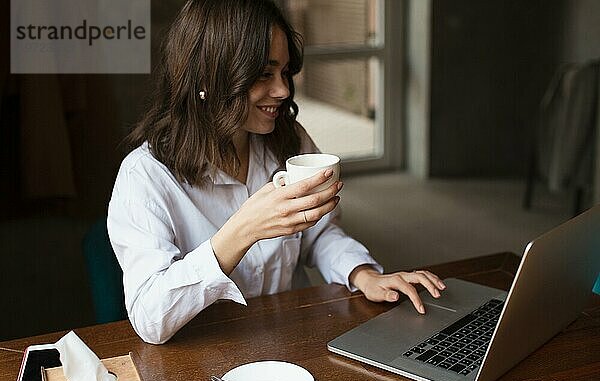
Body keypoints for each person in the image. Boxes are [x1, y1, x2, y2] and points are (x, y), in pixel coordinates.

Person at [107, 0, 446, 345]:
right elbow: (151, 320)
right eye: (264, 74)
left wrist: (361, 274)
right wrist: (242, 232)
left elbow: (319, 235)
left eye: (284, 72)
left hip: (291, 335)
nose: (283, 90)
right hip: (206, 352)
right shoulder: (145, 177)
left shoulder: (290, 140)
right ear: (208, 77)